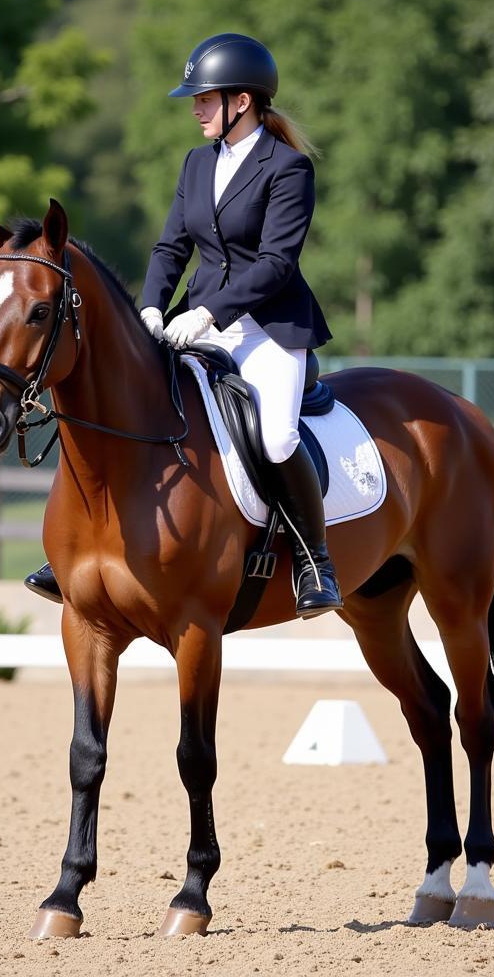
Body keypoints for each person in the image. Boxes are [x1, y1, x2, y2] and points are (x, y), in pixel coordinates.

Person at [25, 33, 342, 618]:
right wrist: (150, 306)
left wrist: (206, 313)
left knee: (275, 436)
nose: (194, 108)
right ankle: (82, 544)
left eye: (204, 98)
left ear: (241, 101)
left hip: (268, 330)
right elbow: (171, 245)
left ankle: (313, 560)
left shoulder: (288, 168)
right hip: (197, 323)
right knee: (131, 406)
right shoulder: (198, 163)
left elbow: (277, 263)